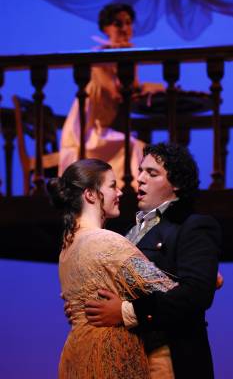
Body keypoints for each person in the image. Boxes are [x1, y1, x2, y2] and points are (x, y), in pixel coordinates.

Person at [80, 143, 222, 378]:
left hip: (167, 355)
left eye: (152, 173)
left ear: (176, 183)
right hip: (126, 356)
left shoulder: (193, 226)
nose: (141, 179)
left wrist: (127, 311)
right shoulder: (130, 232)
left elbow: (196, 294)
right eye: (141, 171)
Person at [48, 157, 181, 378]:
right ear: (90, 194)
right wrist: (206, 280)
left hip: (76, 355)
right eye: (112, 186)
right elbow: (169, 292)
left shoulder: (67, 248)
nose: (119, 193)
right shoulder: (106, 241)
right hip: (108, 355)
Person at [58, 3, 163, 188]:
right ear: (106, 28)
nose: (125, 28)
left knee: (139, 147)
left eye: (128, 23)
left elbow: (134, 86)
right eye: (118, 23)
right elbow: (118, 93)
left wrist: (152, 86)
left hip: (107, 127)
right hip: (89, 131)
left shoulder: (128, 55)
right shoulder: (99, 57)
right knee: (135, 147)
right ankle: (133, 191)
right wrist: (125, 58)